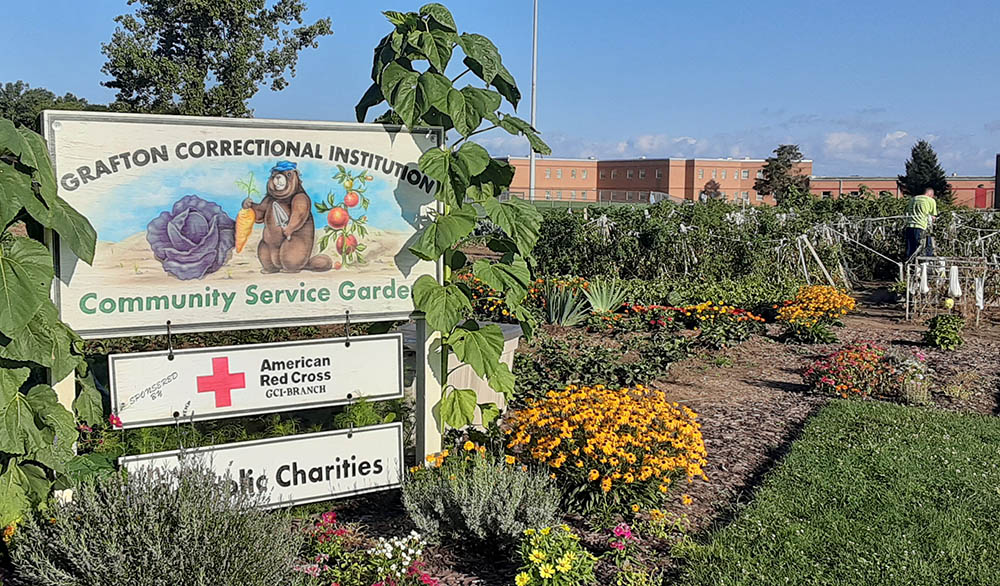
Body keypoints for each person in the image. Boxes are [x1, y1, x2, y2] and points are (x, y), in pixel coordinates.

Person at [904, 187, 937, 260]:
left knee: (910, 251)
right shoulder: (930, 200)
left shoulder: (913, 199)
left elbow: (907, 211)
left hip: (909, 227)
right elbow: (933, 216)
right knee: (925, 250)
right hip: (921, 227)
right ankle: (924, 267)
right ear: (931, 194)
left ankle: (909, 268)